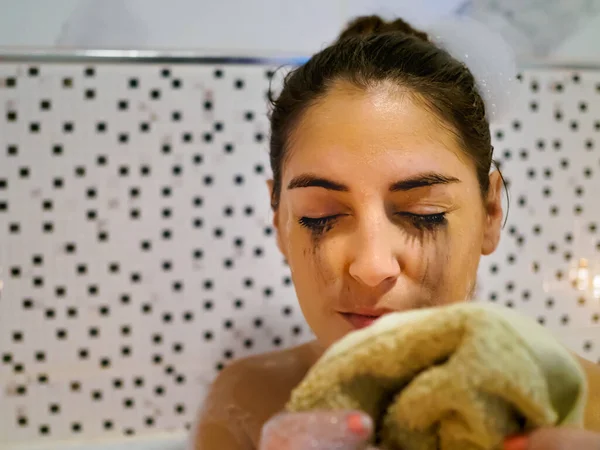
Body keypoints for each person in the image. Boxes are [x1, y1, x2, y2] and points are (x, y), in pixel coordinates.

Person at [193, 15, 600, 450]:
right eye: (320, 216)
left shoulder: (588, 412)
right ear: (279, 222)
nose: (372, 267)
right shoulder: (249, 404)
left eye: (422, 214)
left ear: (490, 212)